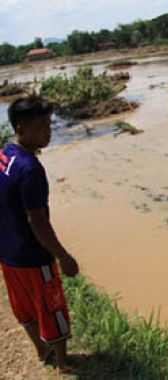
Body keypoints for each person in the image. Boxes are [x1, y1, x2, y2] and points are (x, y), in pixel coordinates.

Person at [0, 95, 79, 373]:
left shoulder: (5, 154)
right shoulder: (30, 168)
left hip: (8, 253)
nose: (49, 132)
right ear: (21, 128)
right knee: (52, 307)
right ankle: (62, 362)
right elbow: (38, 221)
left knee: (23, 307)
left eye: (50, 124)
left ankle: (40, 351)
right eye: (42, 126)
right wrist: (63, 256)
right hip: (34, 256)